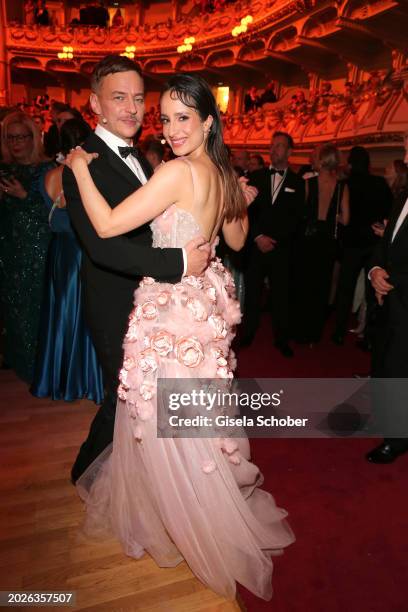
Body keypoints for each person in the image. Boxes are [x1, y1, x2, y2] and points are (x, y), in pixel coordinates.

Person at [66, 72, 294, 601]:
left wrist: (78, 171)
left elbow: (103, 229)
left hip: (171, 314)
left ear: (207, 120)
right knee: (198, 415)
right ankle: (200, 505)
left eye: (182, 118)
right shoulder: (221, 169)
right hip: (205, 309)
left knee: (159, 416)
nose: (169, 129)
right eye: (165, 119)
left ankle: (183, 515)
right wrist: (242, 198)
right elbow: (235, 238)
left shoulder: (174, 172)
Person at [63, 55, 211, 483]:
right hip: (114, 302)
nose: (131, 108)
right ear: (95, 103)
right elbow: (103, 247)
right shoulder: (81, 163)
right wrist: (180, 262)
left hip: (152, 302)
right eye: (119, 98)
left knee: (143, 398)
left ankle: (144, 477)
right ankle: (87, 473)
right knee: (124, 397)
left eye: (138, 98)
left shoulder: (145, 160)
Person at [31, 118, 104, 403]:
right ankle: (84, 381)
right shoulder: (85, 175)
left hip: (58, 251)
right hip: (81, 251)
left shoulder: (47, 177)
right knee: (85, 315)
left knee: (59, 315)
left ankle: (57, 379)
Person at [0, 111, 53, 382]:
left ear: (33, 139)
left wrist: (24, 197)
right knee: (13, 309)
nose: (16, 143)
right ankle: (20, 364)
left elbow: (56, 214)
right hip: (8, 249)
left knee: (37, 309)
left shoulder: (46, 169)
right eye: (11, 138)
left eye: (22, 137)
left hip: (39, 250)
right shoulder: (4, 169)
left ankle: (39, 369)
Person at [241, 131, 304, 357]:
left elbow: (297, 218)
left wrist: (276, 241)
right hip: (256, 246)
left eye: (279, 146)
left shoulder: (298, 183)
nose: (274, 149)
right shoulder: (255, 177)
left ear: (289, 152)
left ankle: (281, 339)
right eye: (272, 145)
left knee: (281, 296)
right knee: (252, 294)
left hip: (281, 248)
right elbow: (247, 212)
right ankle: (248, 333)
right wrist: (258, 237)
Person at [332, 146, 393, 345]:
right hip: (374, 244)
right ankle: (369, 336)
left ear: (350, 163)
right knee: (372, 293)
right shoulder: (380, 183)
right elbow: (388, 213)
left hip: (352, 244)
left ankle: (338, 332)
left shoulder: (345, 184)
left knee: (345, 290)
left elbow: (342, 217)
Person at [293, 144, 349, 345]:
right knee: (321, 288)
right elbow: (346, 219)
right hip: (327, 242)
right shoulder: (342, 186)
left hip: (308, 239)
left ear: (322, 160)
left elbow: (301, 213)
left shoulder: (310, 182)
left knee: (303, 284)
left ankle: (299, 332)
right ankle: (313, 335)